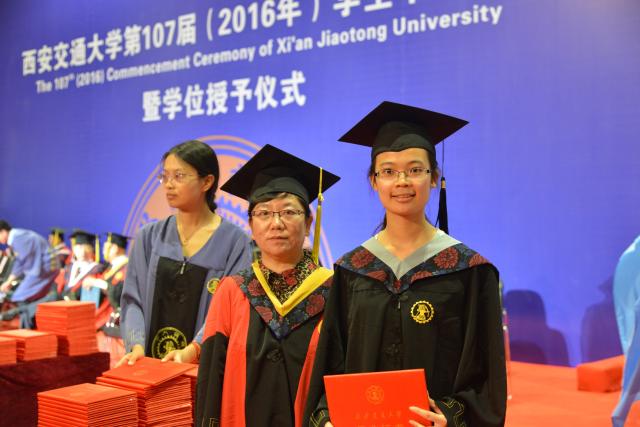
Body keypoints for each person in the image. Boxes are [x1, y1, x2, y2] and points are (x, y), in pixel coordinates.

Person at [304, 102, 507, 427]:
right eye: (388, 171)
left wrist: (449, 416)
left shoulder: (469, 270)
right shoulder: (352, 270)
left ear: (434, 178)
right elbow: (332, 362)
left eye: (415, 170)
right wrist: (327, 418)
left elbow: (487, 377)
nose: (401, 181)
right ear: (374, 181)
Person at [195, 144, 340, 427]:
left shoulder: (334, 291)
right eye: (264, 213)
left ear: (308, 223)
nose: (276, 223)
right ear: (251, 225)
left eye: (289, 212)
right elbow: (211, 379)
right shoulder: (232, 291)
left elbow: (342, 370)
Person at [118, 140, 252, 366]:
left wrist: (193, 350)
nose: (168, 185)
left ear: (207, 182)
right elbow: (133, 300)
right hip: (149, 365)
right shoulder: (149, 236)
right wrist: (136, 346)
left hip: (203, 368)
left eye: (179, 176)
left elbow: (230, 308)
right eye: (165, 177)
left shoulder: (234, 242)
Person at [0, 220, 59, 328]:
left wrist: (9, 281)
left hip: (45, 267)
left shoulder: (18, 237)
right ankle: (30, 325)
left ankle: (27, 328)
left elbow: (21, 261)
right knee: (28, 297)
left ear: (3, 232)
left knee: (20, 296)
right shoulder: (18, 236)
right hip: (44, 267)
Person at [83, 232, 130, 336]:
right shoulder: (111, 266)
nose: (103, 251)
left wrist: (97, 283)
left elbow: (117, 294)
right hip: (103, 310)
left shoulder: (127, 268)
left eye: (106, 247)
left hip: (114, 314)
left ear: (115, 248)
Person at [61, 230, 103, 302]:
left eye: (85, 248)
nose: (82, 252)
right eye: (78, 248)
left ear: (91, 250)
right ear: (74, 250)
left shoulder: (97, 268)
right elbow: (59, 286)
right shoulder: (69, 267)